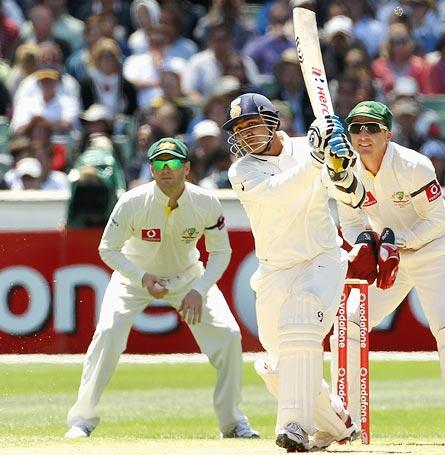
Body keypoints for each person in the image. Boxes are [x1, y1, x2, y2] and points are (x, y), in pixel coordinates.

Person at [65, 137, 259, 440]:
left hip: (189, 277)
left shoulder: (206, 202)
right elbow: (108, 249)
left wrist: (200, 289)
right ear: (152, 169)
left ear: (187, 168)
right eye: (159, 163)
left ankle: (233, 423)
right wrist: (141, 277)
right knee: (108, 333)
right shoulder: (132, 201)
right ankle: (82, 420)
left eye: (173, 163)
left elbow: (221, 252)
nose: (166, 169)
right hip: (134, 279)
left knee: (229, 336)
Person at [333, 100, 445, 445]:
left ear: (388, 133)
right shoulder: (345, 170)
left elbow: (436, 219)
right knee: (350, 324)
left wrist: (395, 243)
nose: (363, 135)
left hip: (435, 250)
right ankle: (345, 420)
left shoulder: (414, 165)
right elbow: (351, 220)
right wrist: (366, 246)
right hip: (392, 255)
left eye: (371, 128)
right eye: (356, 128)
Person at [222, 93, 362, 452]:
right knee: (278, 366)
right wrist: (317, 160)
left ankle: (294, 427)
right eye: (239, 129)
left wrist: (342, 162)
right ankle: (337, 424)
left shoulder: (307, 147)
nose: (246, 135)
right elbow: (280, 194)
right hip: (275, 269)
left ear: (272, 121)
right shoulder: (241, 170)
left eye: (252, 124)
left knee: (301, 322)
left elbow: (349, 192)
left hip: (322, 257)